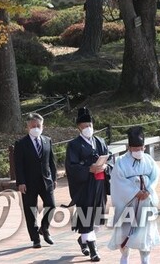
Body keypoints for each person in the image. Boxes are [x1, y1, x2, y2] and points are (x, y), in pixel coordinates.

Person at [108, 126, 160, 264]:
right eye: (135, 149)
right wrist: (135, 192)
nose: (138, 151)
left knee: (145, 234)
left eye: (141, 148)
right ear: (129, 148)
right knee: (125, 232)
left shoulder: (149, 160)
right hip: (128, 203)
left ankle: (145, 260)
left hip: (145, 202)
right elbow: (118, 181)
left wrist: (148, 190)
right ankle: (125, 257)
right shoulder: (121, 162)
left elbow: (155, 175)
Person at [65, 107, 110, 262]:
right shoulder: (74, 145)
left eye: (89, 125)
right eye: (84, 126)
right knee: (86, 217)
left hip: (100, 184)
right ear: (79, 127)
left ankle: (83, 239)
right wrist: (88, 168)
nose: (87, 128)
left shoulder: (100, 141)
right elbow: (71, 167)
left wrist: (105, 167)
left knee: (98, 217)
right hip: (84, 186)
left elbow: (109, 160)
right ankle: (93, 249)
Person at [14, 112, 57, 249]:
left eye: (38, 125)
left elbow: (51, 162)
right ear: (27, 127)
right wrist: (21, 182)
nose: (36, 128)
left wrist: (54, 178)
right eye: (33, 126)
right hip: (28, 183)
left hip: (46, 181)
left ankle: (44, 228)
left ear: (43, 126)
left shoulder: (47, 140)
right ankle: (35, 238)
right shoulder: (21, 144)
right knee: (30, 210)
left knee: (51, 205)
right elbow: (18, 165)